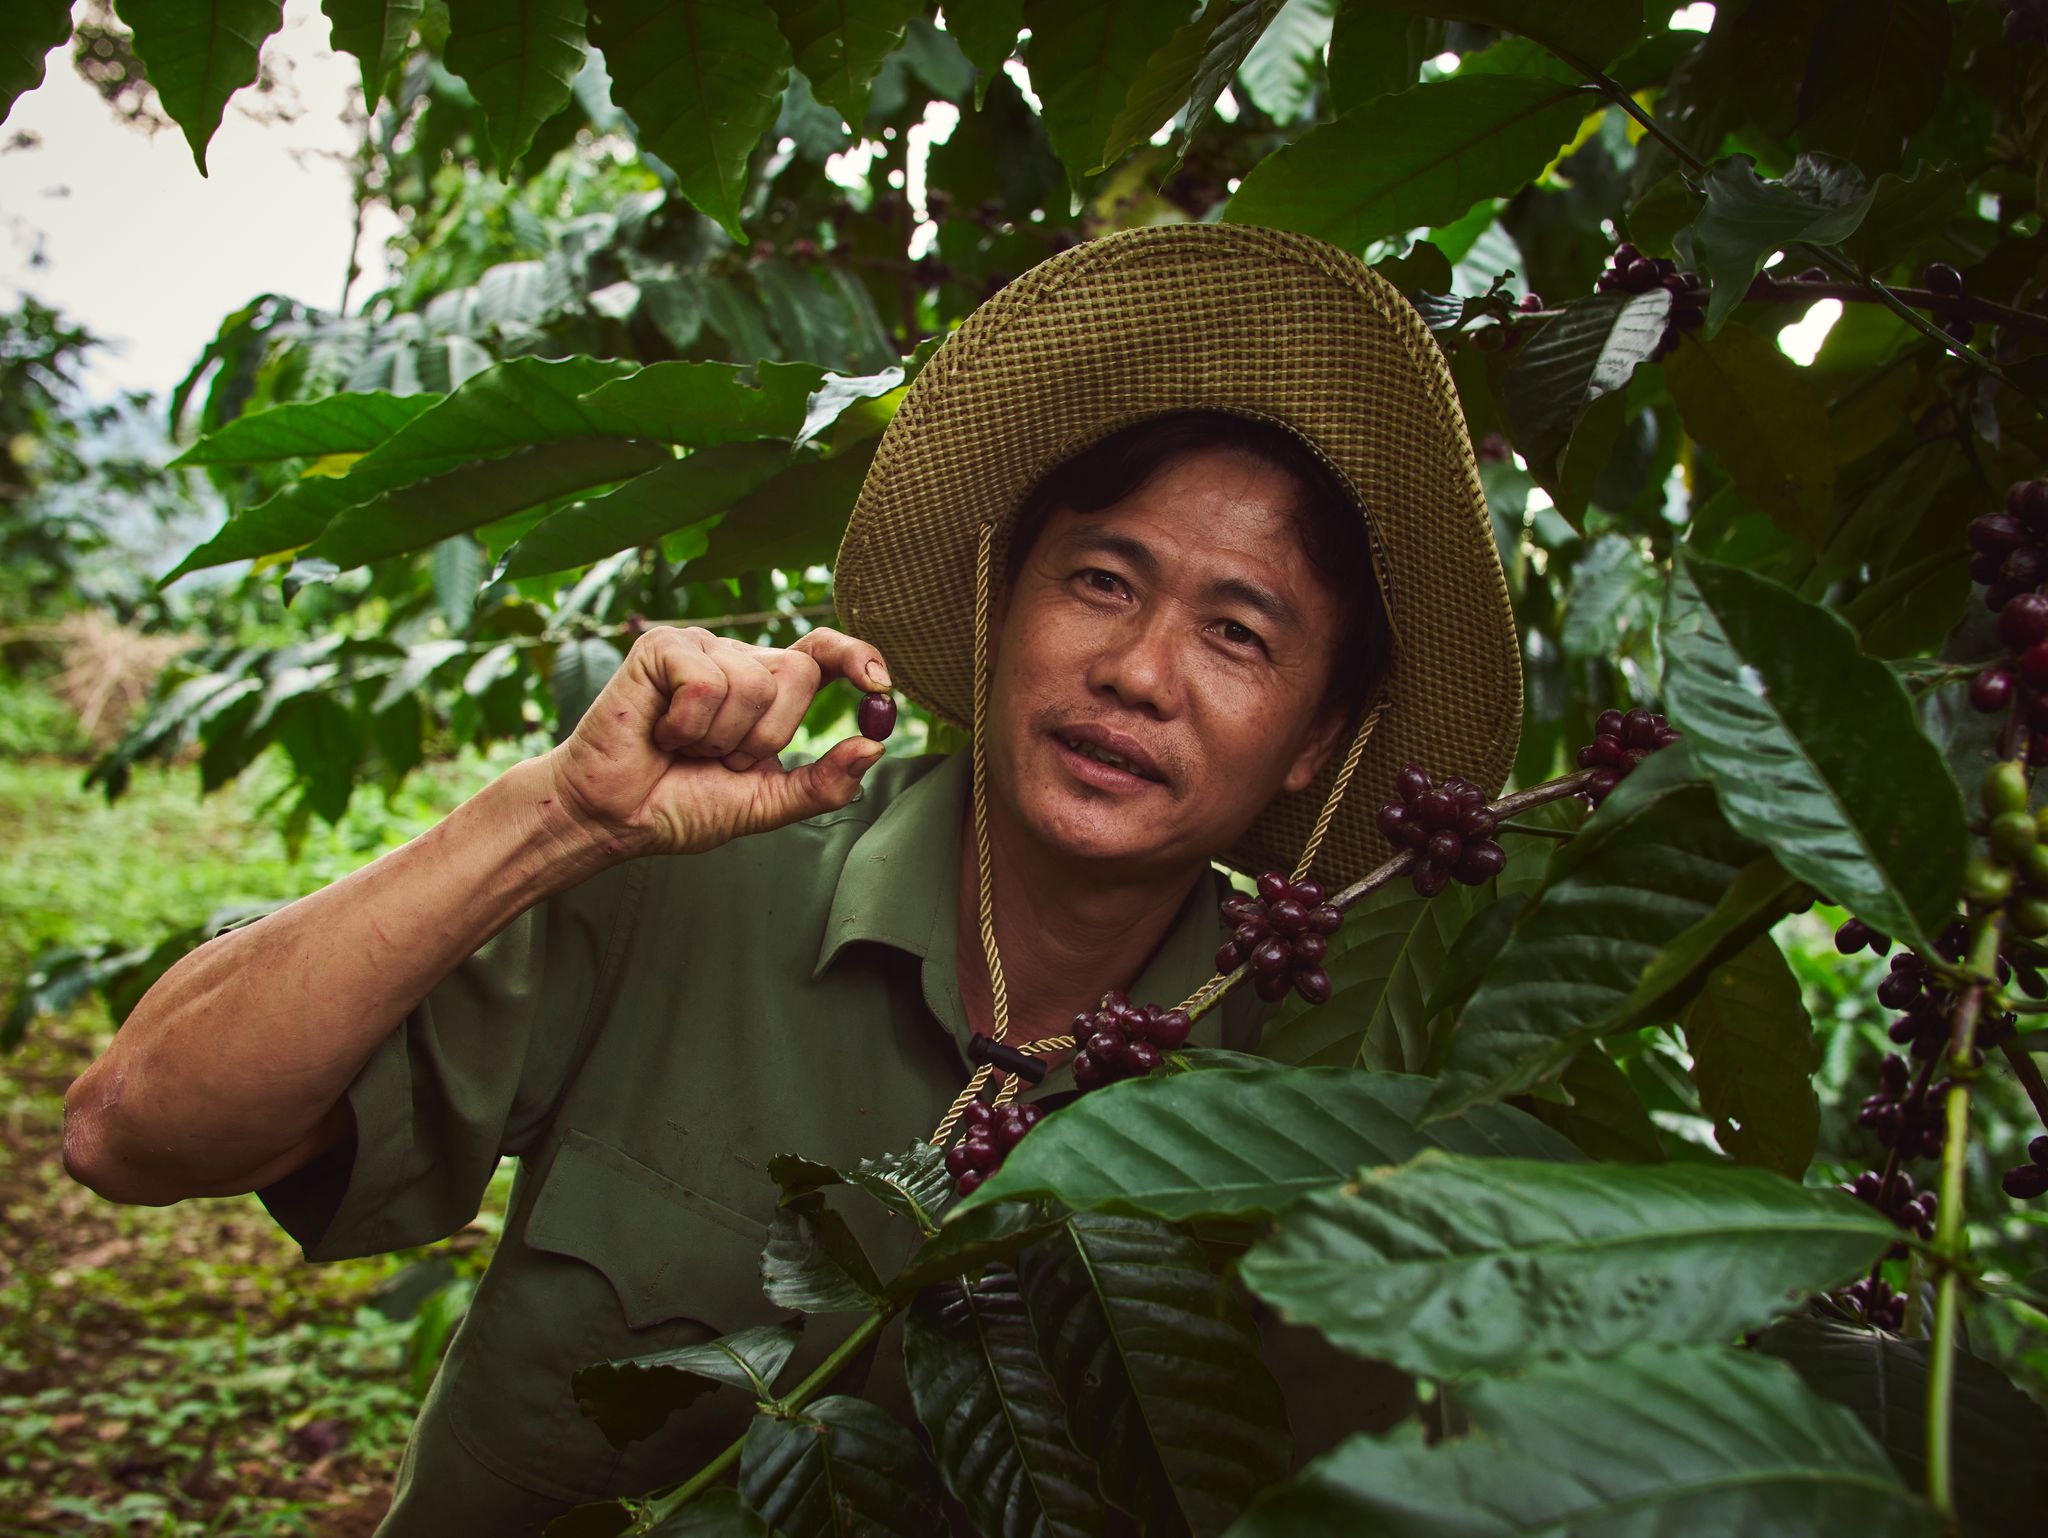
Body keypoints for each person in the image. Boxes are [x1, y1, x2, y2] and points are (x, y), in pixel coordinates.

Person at [62, 224, 1522, 1533]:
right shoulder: (692, 883)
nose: (1137, 672)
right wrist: (556, 817)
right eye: (1101, 581)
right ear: (1000, 598)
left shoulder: (1316, 1105)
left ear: (1312, 743)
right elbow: (135, 1131)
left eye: (1238, 635)